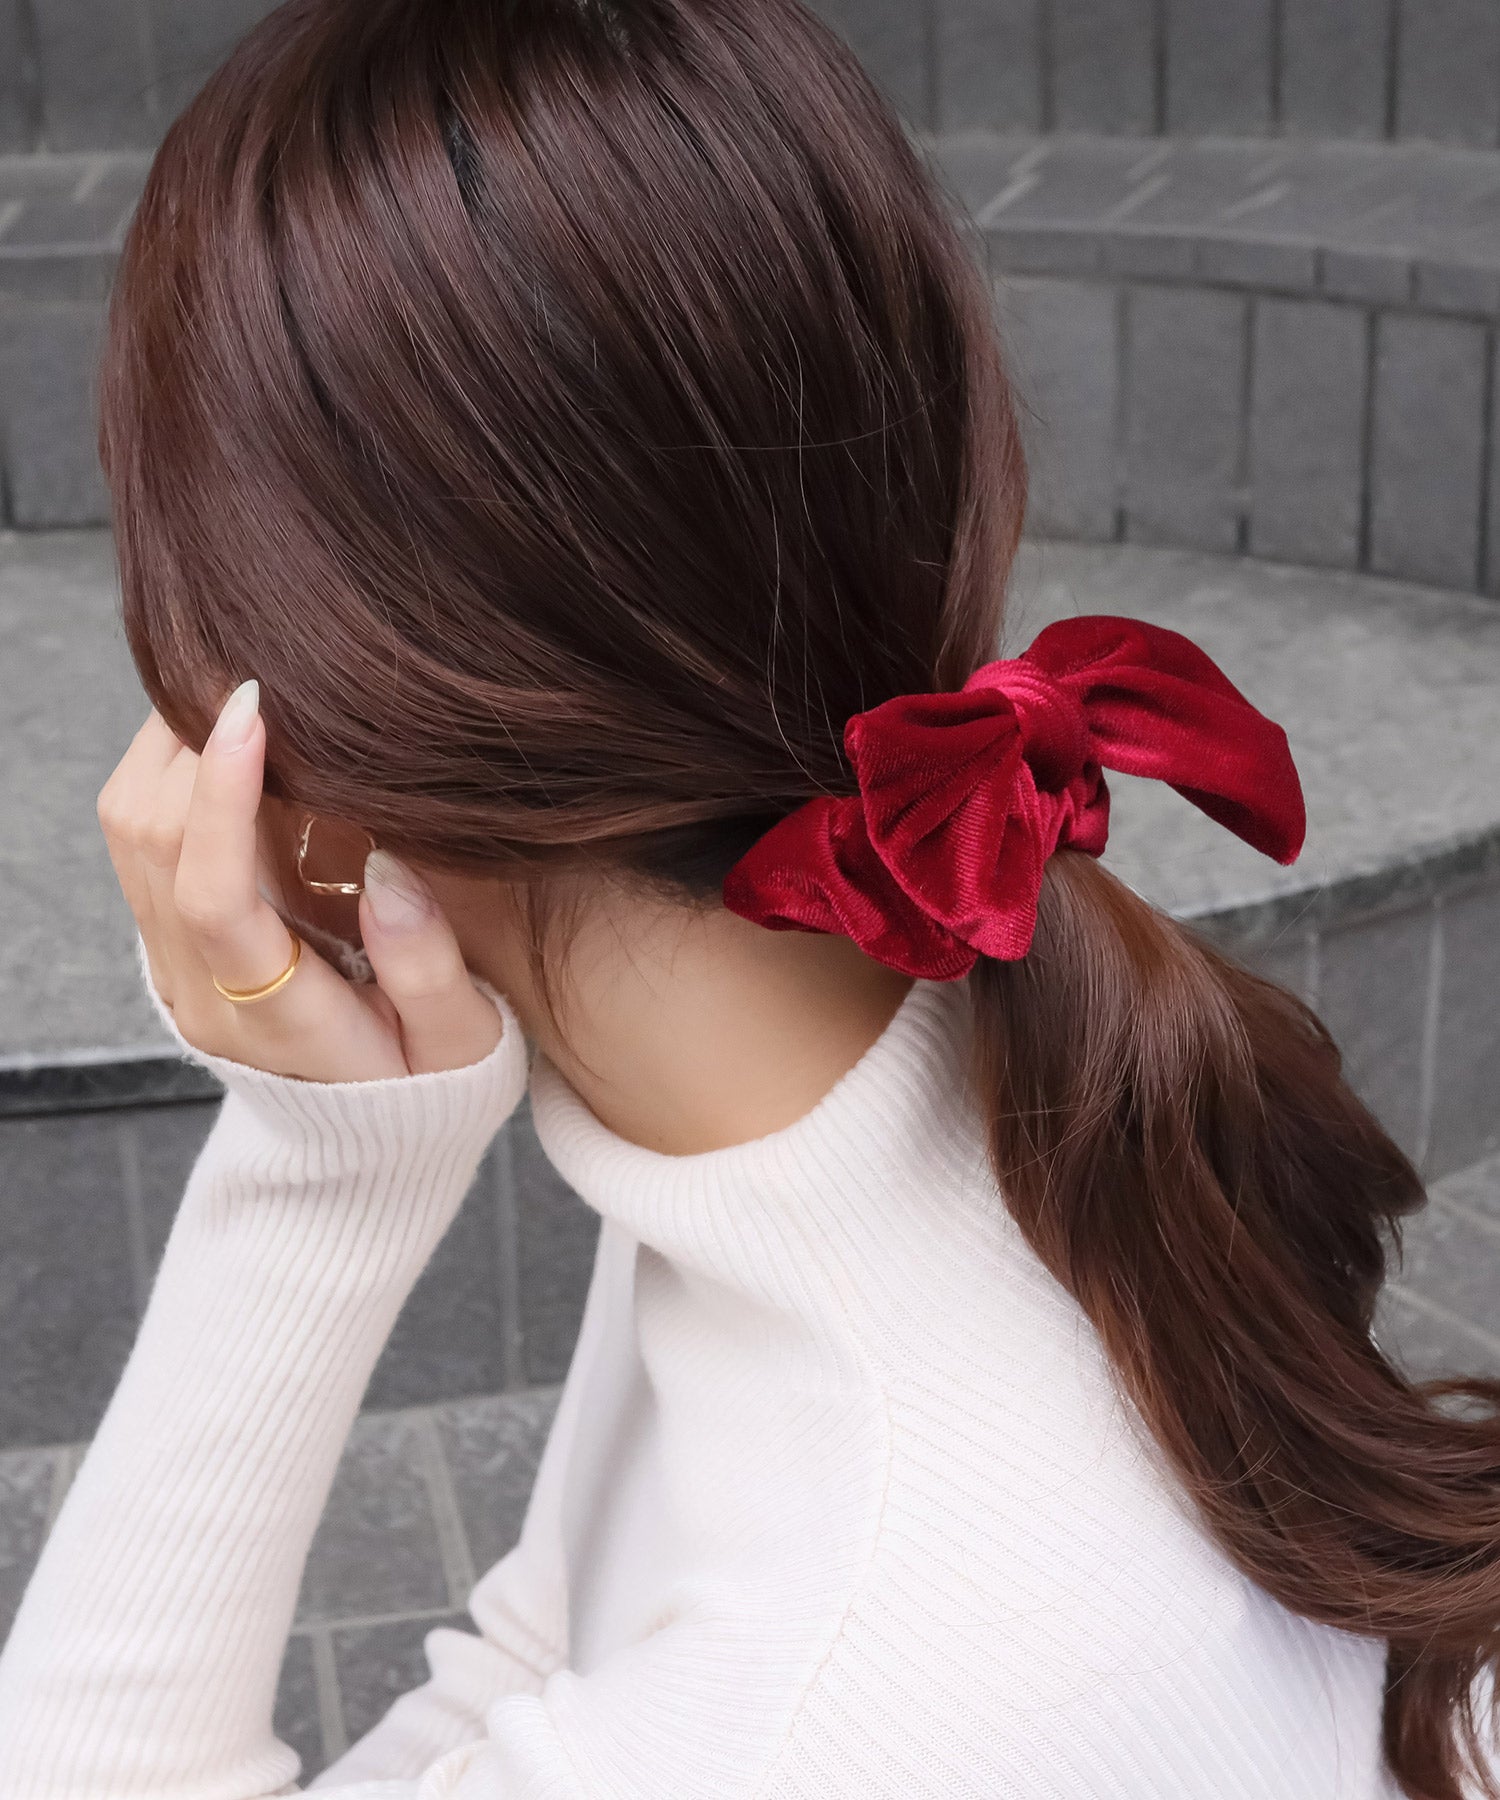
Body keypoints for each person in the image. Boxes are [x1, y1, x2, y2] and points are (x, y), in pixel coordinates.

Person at [0, 0, 1497, 1794]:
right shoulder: (847, 1079)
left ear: (288, 747)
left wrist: (317, 1176)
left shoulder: (825, 1712)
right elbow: (551, 1642)